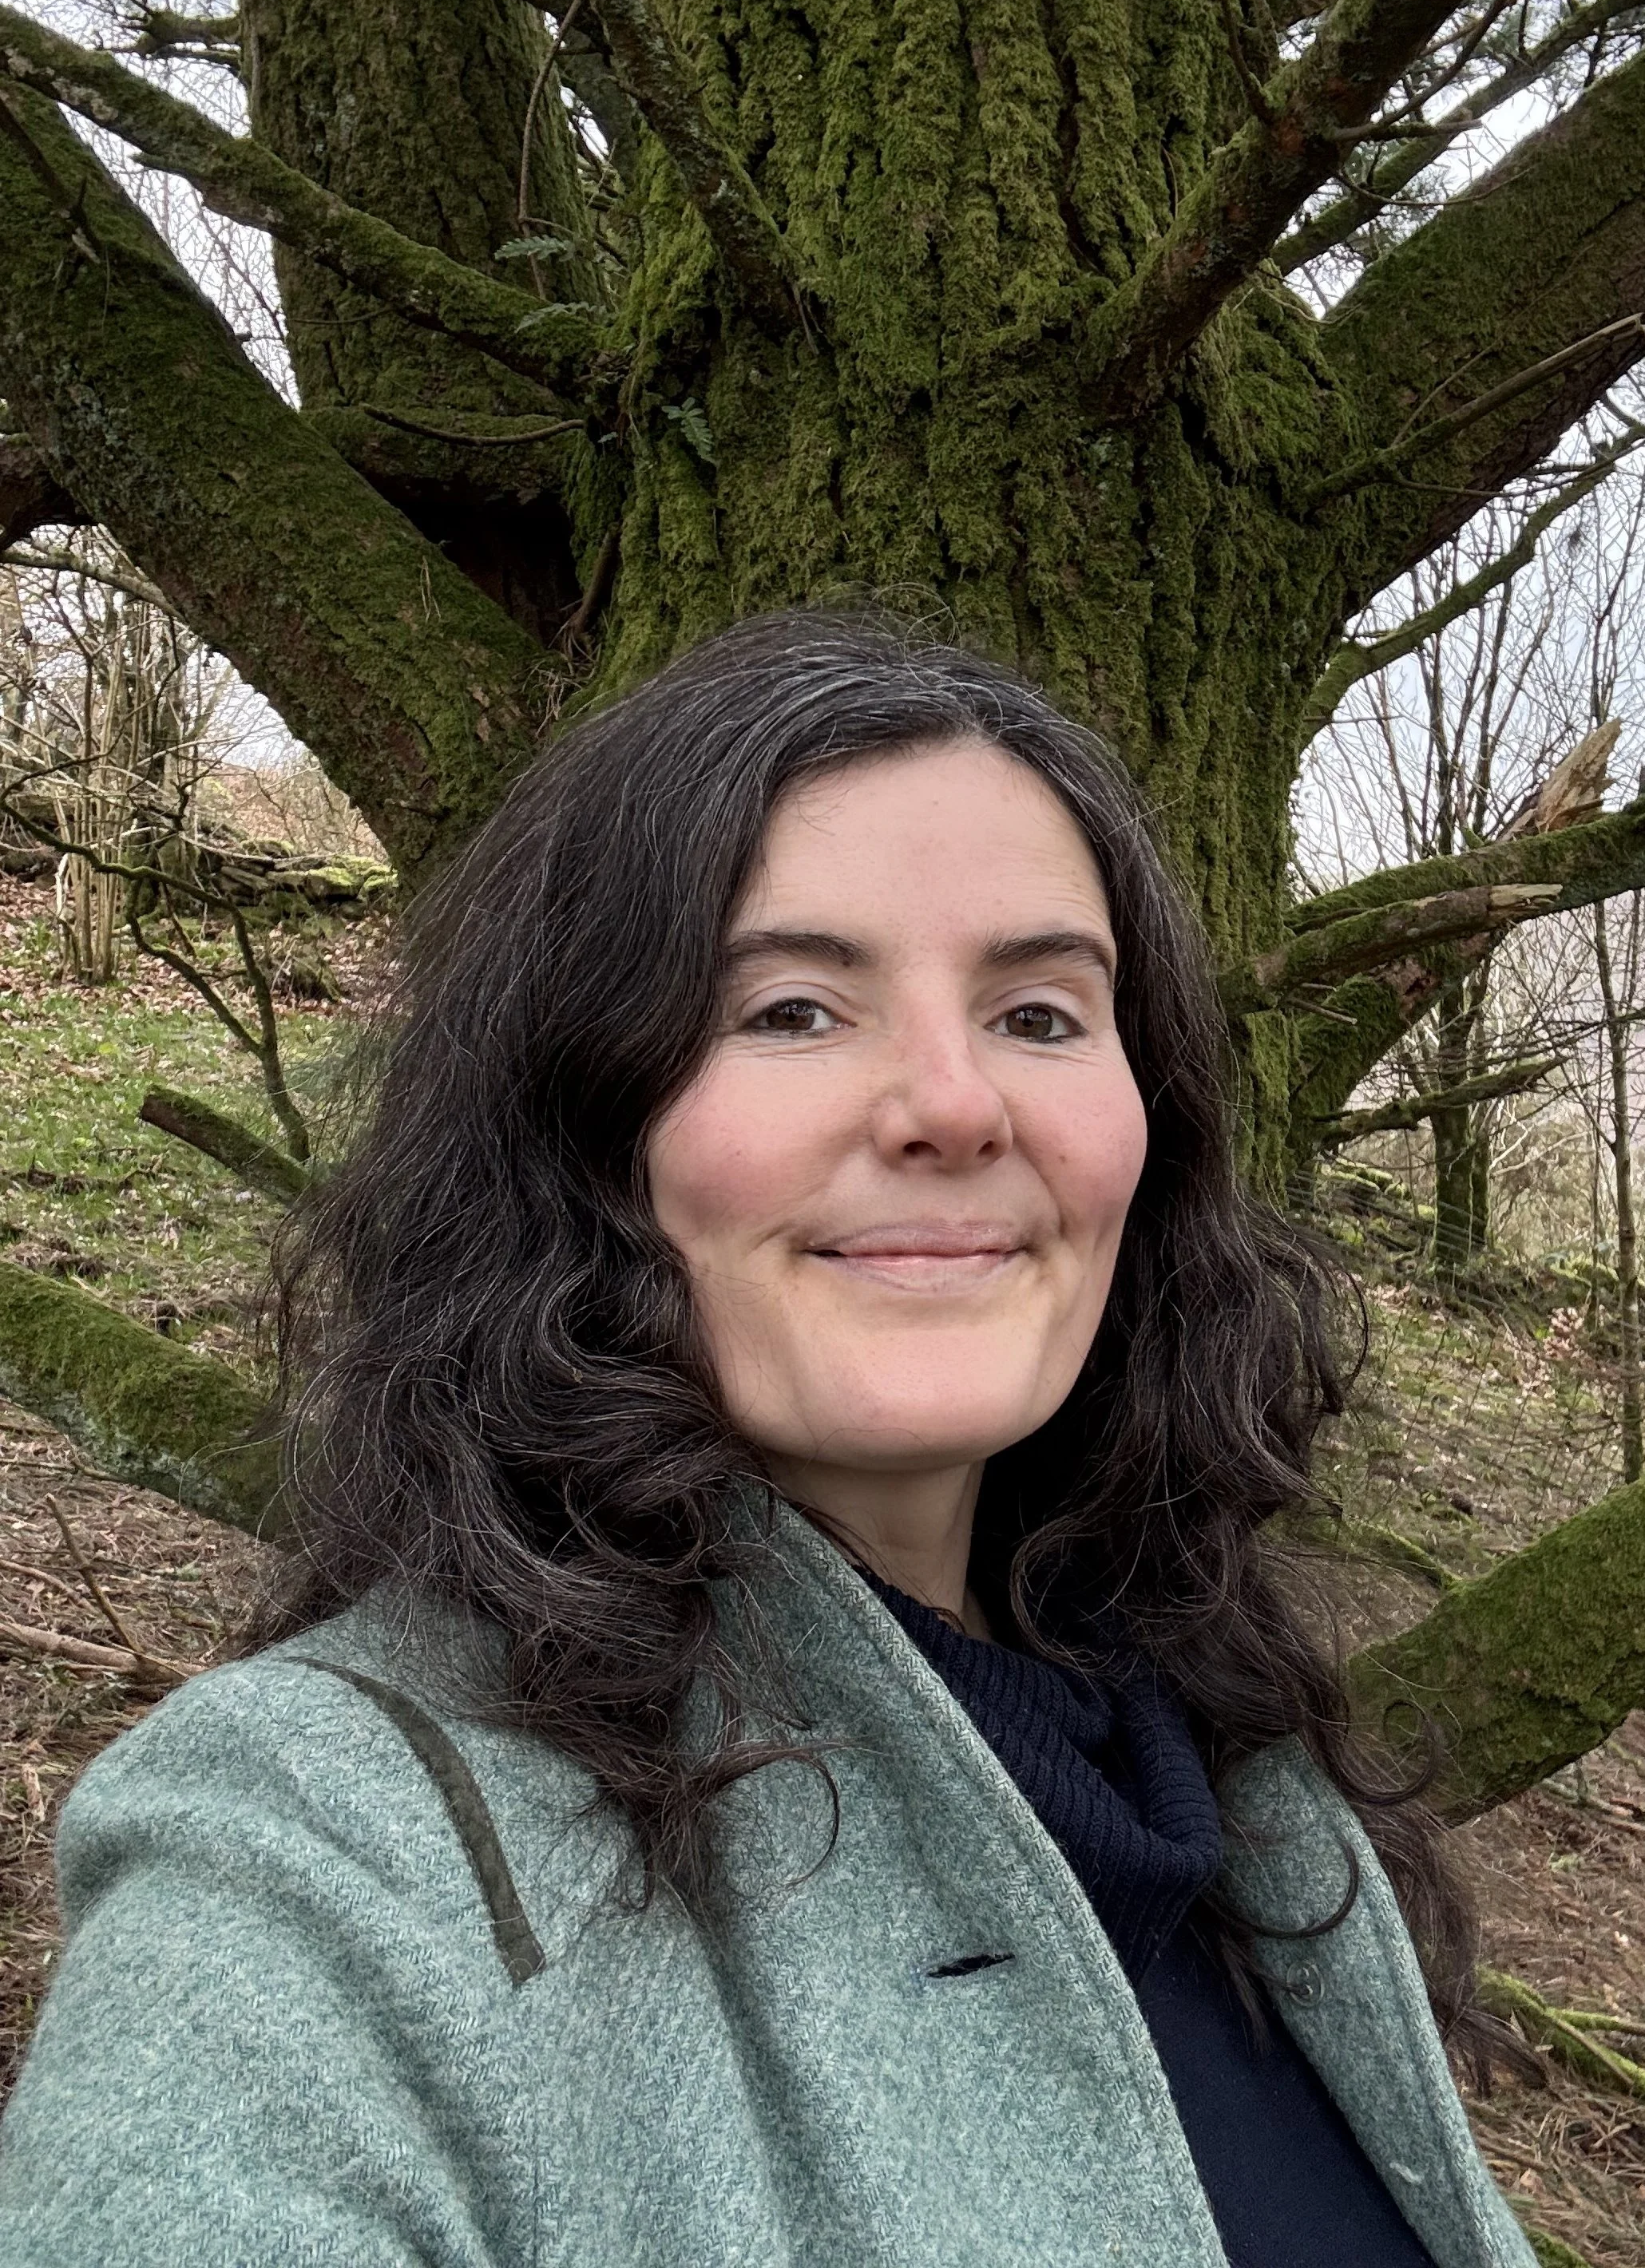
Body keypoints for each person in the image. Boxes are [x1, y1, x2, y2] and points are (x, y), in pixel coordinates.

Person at [0, 616, 1536, 2268]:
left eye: (1039, 1011)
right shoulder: (331, 1851)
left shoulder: (1238, 1781)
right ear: (579, 1127)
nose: (956, 1100)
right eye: (795, 1008)